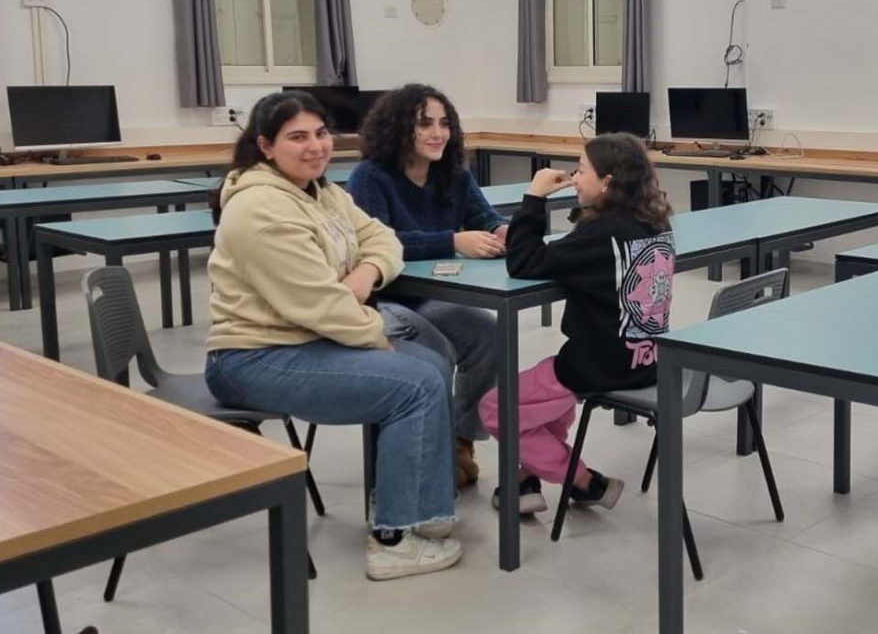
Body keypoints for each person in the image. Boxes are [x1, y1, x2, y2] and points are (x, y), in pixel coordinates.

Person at [204, 91, 461, 581]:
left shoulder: (320, 192)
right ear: (265, 146)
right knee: (415, 383)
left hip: (303, 340)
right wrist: (376, 335)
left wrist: (366, 273)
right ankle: (393, 539)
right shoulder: (259, 207)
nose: (315, 146)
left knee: (431, 359)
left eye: (321, 133)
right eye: (297, 137)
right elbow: (319, 305)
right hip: (252, 358)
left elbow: (382, 237)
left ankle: (421, 506)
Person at [479, 133, 676, 514]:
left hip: (599, 368)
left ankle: (584, 481)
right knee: (546, 393)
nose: (574, 178)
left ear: (606, 182)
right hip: (648, 360)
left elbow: (523, 262)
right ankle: (524, 479)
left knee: (496, 407)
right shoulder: (656, 224)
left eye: (581, 170)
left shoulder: (601, 233)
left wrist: (534, 197)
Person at [349, 84, 503, 488]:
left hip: (431, 296)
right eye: (425, 124)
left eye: (444, 123)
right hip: (381, 300)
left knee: (489, 333)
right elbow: (378, 243)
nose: (438, 133)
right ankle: (427, 451)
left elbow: (485, 218)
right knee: (432, 347)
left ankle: (460, 441)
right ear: (399, 128)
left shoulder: (454, 173)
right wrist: (451, 241)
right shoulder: (369, 177)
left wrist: (502, 231)